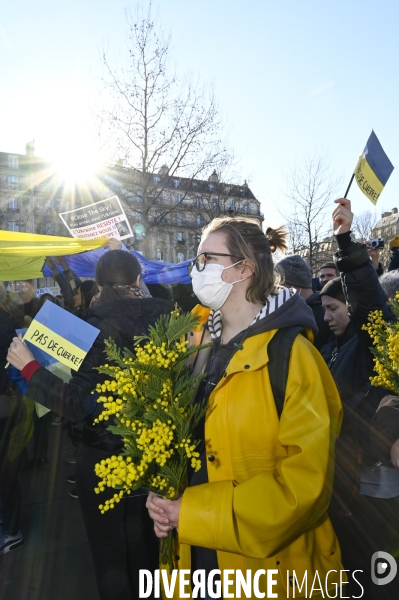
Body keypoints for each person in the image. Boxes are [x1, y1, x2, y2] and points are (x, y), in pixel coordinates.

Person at [147, 217, 344, 598]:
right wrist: (168, 503)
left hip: (268, 567)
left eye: (207, 259)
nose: (196, 269)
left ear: (245, 269)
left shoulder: (293, 357)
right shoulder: (199, 345)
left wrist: (191, 512)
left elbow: (304, 487)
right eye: (196, 260)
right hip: (199, 554)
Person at [7, 249, 175, 600]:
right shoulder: (172, 321)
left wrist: (29, 369)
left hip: (103, 461)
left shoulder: (92, 330)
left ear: (98, 286)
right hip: (156, 455)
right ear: (138, 281)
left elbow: (80, 405)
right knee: (150, 551)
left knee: (110, 558)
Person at [319, 199, 398, 599]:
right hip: (345, 485)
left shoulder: (371, 337)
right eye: (324, 310)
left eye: (334, 308)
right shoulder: (329, 348)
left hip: (376, 486)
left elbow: (368, 295)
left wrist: (345, 241)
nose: (328, 317)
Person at [276, 254, 332, 350]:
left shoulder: (326, 311)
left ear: (292, 285)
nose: (277, 291)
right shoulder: (293, 309)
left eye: (280, 286)